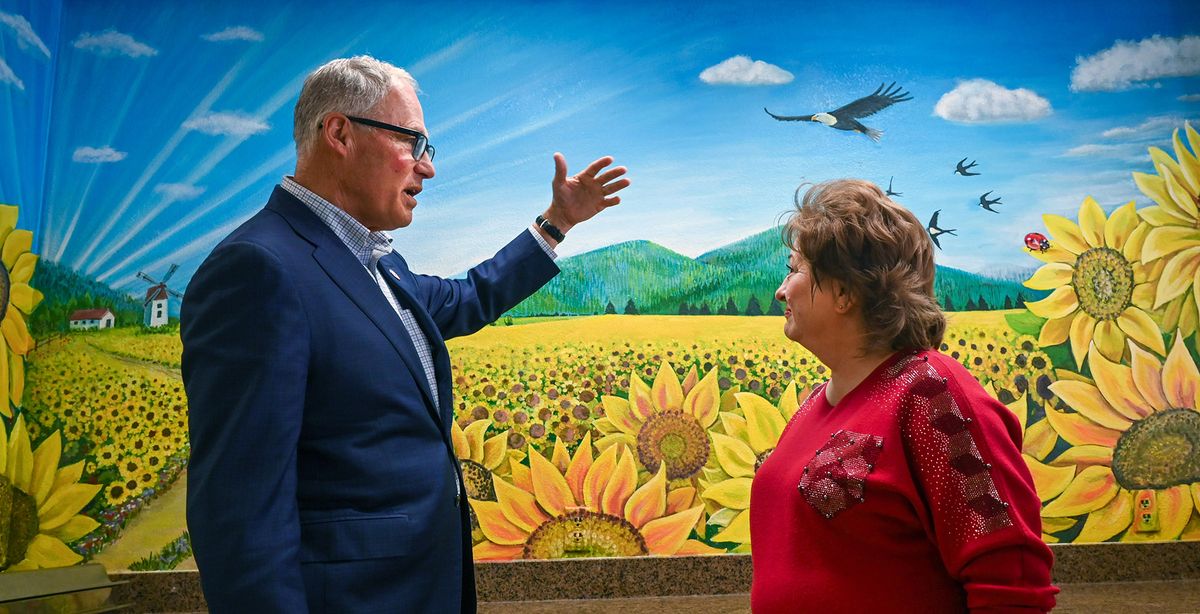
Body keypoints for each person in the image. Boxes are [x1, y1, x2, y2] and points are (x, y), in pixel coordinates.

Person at [181, 55, 628, 613]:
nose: (427, 168)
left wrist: (556, 222)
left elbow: (470, 297)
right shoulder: (259, 269)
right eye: (412, 143)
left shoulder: (377, 264)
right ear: (340, 133)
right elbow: (240, 510)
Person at [749, 179, 1057, 613]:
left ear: (844, 292)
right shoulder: (818, 403)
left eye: (794, 269)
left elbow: (1011, 584)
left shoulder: (933, 395)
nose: (781, 290)